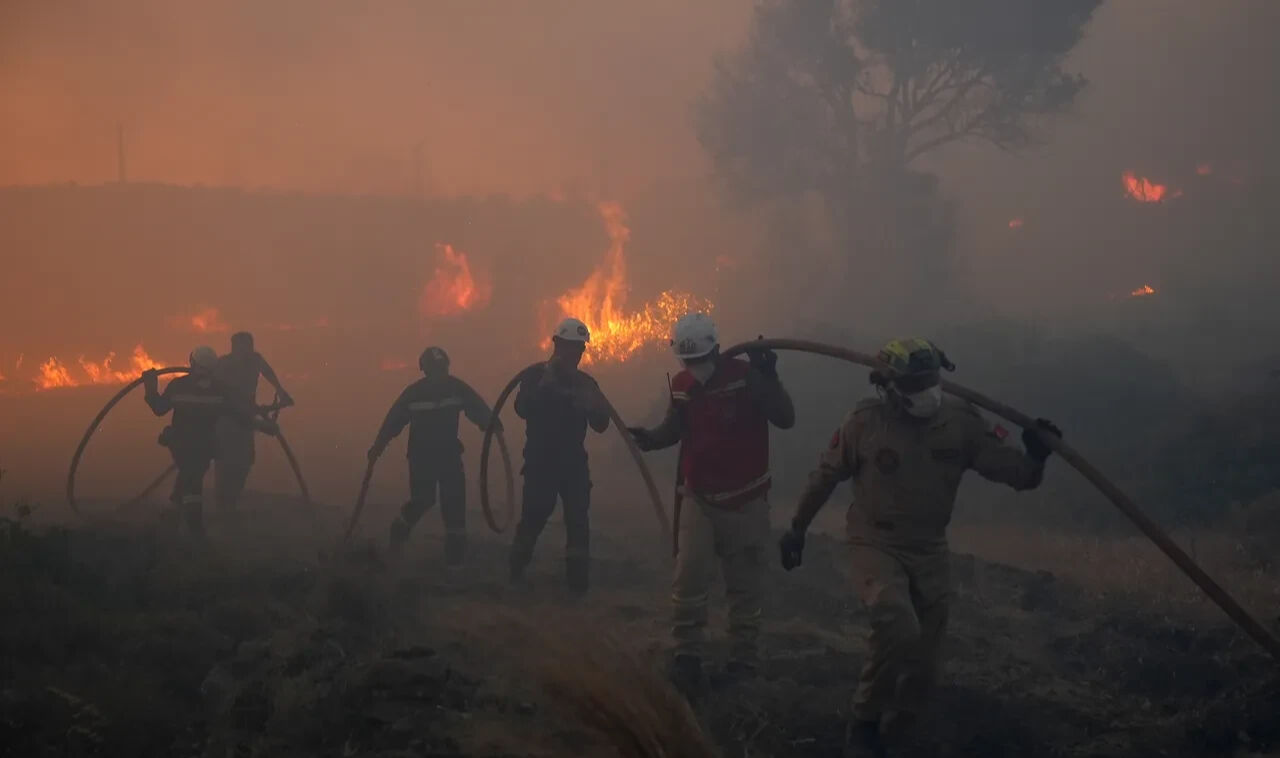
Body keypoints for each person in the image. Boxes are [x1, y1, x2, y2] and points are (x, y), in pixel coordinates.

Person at [778, 337, 1062, 755]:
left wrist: (1036, 456)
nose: (926, 392)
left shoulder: (961, 422)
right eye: (914, 384)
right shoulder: (865, 423)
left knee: (925, 662)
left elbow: (1015, 473)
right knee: (896, 623)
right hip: (874, 540)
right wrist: (797, 527)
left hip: (929, 549)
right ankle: (865, 722)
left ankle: (899, 735)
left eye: (931, 381)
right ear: (889, 387)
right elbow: (825, 476)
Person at [627, 314, 796, 695]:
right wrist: (652, 439)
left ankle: (743, 660)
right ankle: (686, 656)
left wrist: (770, 380)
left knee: (744, 587)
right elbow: (676, 428)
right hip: (699, 498)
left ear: (717, 350)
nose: (695, 368)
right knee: (688, 578)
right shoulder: (684, 385)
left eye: (701, 358)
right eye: (688, 362)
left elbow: (786, 418)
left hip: (746, 500)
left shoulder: (747, 376)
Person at [368, 346, 497, 567]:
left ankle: (454, 561)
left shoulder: (456, 388)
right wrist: (378, 446)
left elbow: (477, 407)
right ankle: (399, 532)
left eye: (441, 369)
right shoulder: (414, 393)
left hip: (449, 456)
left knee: (454, 504)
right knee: (423, 499)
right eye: (434, 370)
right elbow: (393, 421)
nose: (438, 375)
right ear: (425, 371)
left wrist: (492, 424)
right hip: (422, 458)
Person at [507, 317, 610, 594]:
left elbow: (602, 424)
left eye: (579, 349)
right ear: (556, 344)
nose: (575, 354)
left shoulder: (587, 383)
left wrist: (592, 407)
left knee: (578, 521)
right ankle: (513, 574)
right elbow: (522, 408)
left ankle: (577, 588)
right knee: (535, 516)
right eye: (570, 347)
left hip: (574, 465)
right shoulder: (534, 376)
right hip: (541, 462)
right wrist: (545, 387)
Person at [144, 346, 276, 537]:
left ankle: (182, 522)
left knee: (190, 481)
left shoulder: (179, 386)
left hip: (181, 444)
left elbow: (159, 408)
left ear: (192, 363)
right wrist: (266, 427)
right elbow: (241, 417)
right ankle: (190, 526)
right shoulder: (219, 390)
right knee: (193, 481)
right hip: (206, 447)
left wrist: (151, 387)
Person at [213, 331, 293, 513]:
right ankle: (222, 507)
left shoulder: (255, 361)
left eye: (248, 346)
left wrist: (280, 390)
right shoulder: (223, 364)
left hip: (246, 419)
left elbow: (267, 372)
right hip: (226, 421)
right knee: (225, 463)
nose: (246, 351)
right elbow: (218, 394)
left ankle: (230, 504)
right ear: (233, 347)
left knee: (245, 462)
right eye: (241, 347)